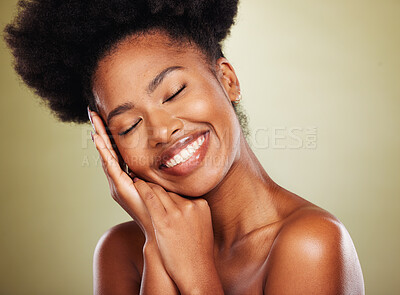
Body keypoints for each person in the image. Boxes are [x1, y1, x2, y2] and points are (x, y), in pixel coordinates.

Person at [4, 0, 365, 294]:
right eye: (129, 125)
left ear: (228, 80)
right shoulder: (121, 251)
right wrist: (158, 245)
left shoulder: (310, 244)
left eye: (174, 92)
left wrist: (194, 272)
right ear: (111, 148)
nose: (161, 131)